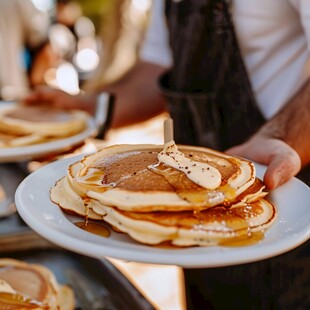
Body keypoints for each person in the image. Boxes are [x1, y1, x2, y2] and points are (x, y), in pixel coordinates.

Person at [24, 0, 310, 308]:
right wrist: (94, 109)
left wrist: (283, 135)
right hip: (183, 210)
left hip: (280, 194)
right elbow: (158, 67)